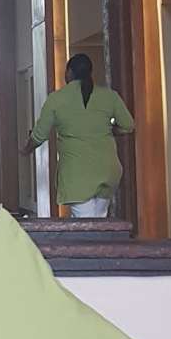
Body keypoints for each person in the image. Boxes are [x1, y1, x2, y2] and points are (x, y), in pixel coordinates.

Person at [22, 54, 135, 218]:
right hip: (108, 172)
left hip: (77, 176)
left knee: (88, 226)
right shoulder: (110, 96)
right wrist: (108, 129)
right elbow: (128, 125)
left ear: (69, 72)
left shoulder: (56, 99)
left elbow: (39, 135)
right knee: (99, 221)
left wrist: (25, 150)